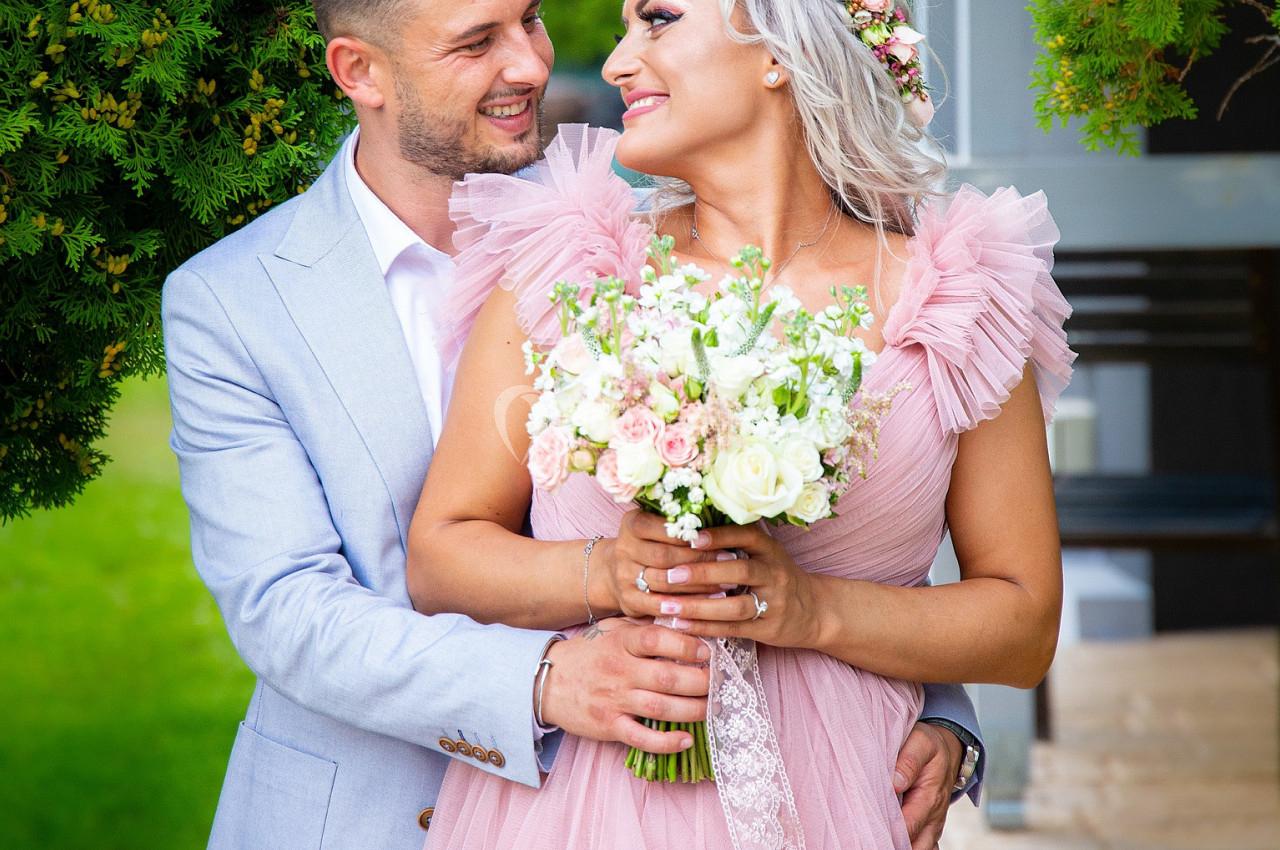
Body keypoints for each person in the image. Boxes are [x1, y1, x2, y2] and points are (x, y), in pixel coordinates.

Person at [162, 0, 985, 847]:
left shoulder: (625, 241)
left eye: (530, 19)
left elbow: (850, 529)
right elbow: (286, 609)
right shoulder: (234, 302)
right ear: (359, 71)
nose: (531, 65)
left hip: (740, 792)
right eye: (476, 44)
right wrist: (544, 680)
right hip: (366, 818)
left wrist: (934, 712)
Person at [407, 1, 1071, 849]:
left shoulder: (957, 297)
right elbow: (440, 558)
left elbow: (1024, 628)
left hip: (837, 794)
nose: (616, 62)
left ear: (778, 51)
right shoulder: (567, 268)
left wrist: (815, 610)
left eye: (657, 19)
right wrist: (612, 571)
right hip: (582, 804)